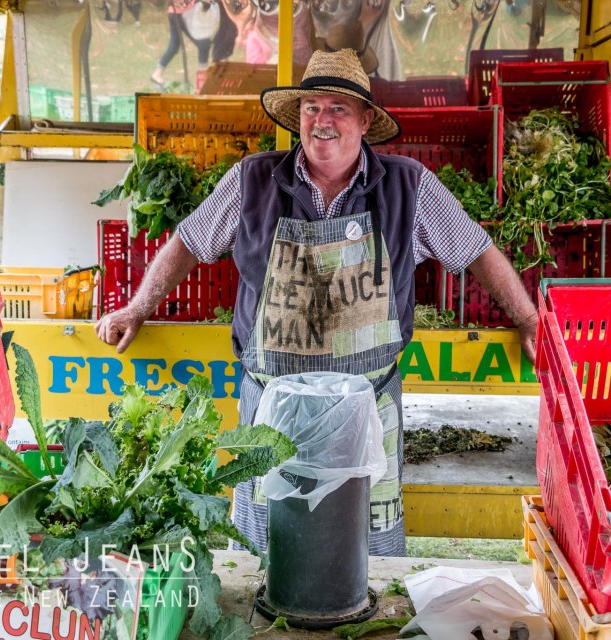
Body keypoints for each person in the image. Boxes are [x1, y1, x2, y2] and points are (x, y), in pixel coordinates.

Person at [96, 48, 538, 556]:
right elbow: (188, 244)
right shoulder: (251, 181)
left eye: (338, 108)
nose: (321, 121)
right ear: (298, 117)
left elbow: (476, 249)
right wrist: (137, 307)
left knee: (363, 558)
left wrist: (526, 317)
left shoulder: (411, 187)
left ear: (366, 121)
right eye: (311, 108)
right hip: (271, 409)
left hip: (366, 412)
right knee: (267, 551)